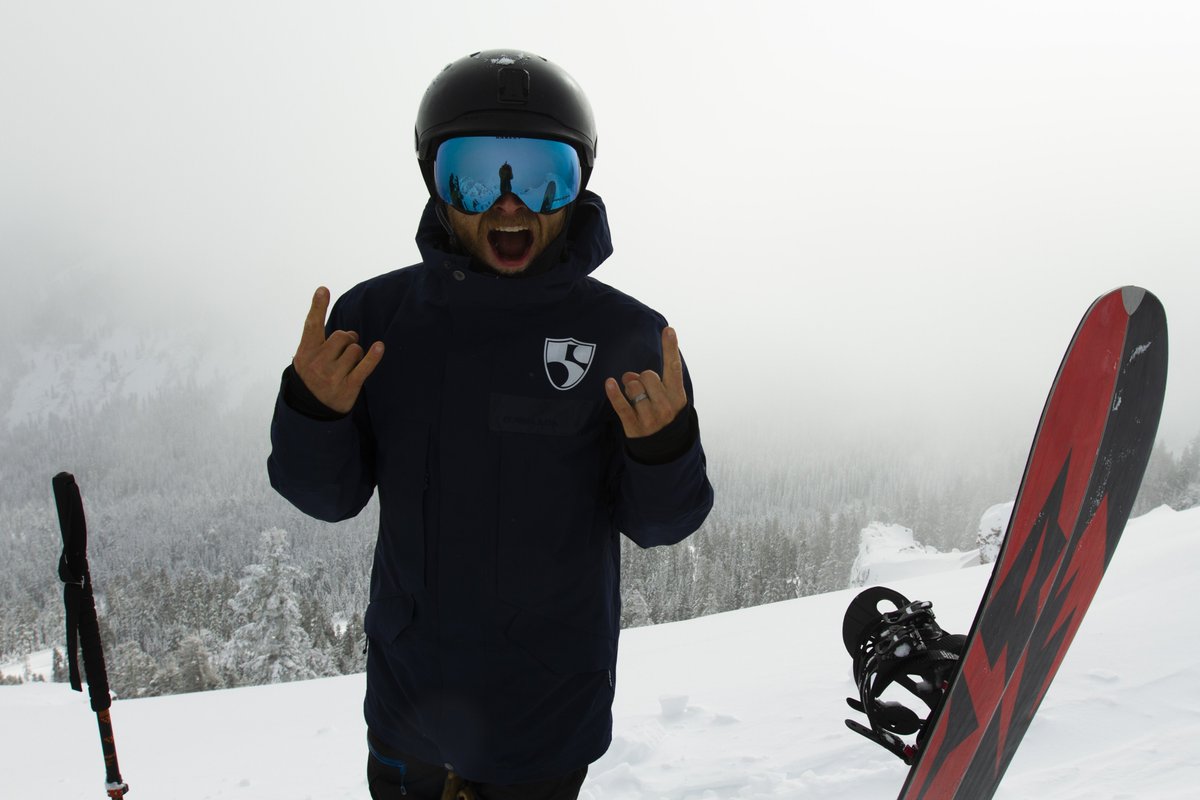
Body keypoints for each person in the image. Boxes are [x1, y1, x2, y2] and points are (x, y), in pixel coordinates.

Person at [267, 49, 714, 800]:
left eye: (542, 175)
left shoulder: (629, 340)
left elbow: (664, 524)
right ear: (435, 185)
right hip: (409, 720)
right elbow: (325, 496)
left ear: (579, 186)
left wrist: (663, 447)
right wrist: (314, 409)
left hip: (543, 728)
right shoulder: (376, 321)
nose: (510, 204)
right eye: (476, 173)